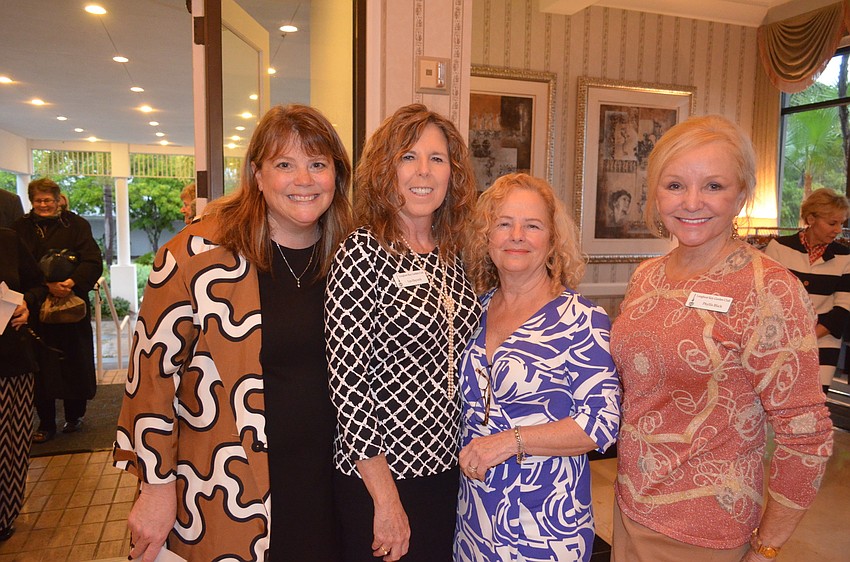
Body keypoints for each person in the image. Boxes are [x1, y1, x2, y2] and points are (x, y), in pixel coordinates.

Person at [113, 104, 353, 561]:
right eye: (285, 164)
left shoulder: (350, 257)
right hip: (227, 488)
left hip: (330, 486)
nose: (304, 180)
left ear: (336, 177)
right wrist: (156, 490)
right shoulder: (197, 255)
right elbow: (149, 385)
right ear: (257, 175)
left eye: (318, 164)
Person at [609, 115, 834, 562]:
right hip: (628, 507)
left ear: (742, 194)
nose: (692, 202)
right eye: (674, 185)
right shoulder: (647, 277)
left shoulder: (768, 289)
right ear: (654, 193)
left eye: (713, 186)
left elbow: (806, 435)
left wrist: (766, 547)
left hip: (705, 530)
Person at [325, 103, 480, 562]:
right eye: (408, 157)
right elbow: (348, 388)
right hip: (382, 477)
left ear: (452, 172)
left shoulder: (455, 253)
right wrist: (387, 501)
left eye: (436, 158)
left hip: (446, 468)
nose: (423, 172)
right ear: (385, 170)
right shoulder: (362, 253)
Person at [453, 173, 621, 562]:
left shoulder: (582, 320)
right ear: (486, 236)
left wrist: (510, 441)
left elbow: (601, 424)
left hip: (546, 526)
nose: (517, 236)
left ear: (552, 241)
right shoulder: (473, 311)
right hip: (473, 519)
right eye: (504, 224)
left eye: (532, 225)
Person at [12, 178, 103, 444]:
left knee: (75, 361)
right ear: (31, 201)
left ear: (58, 199)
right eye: (38, 200)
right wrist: (46, 285)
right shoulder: (20, 228)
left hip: (72, 306)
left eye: (47, 200)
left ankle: (75, 415)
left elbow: (93, 260)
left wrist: (71, 283)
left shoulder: (76, 225)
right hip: (37, 308)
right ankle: (46, 422)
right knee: (41, 367)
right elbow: (17, 266)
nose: (43, 205)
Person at [765, 188, 850, 395]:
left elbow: (843, 310)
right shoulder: (778, 248)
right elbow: (765, 298)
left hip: (823, 345)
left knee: (812, 405)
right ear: (811, 219)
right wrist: (786, 340)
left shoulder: (845, 257)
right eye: (832, 223)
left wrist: (805, 339)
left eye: (841, 223)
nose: (838, 229)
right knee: (775, 400)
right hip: (778, 343)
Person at [0, 227, 45, 542]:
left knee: (11, 443)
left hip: (9, 361)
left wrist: (26, 304)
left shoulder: (8, 240)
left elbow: (37, 284)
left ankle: (4, 516)